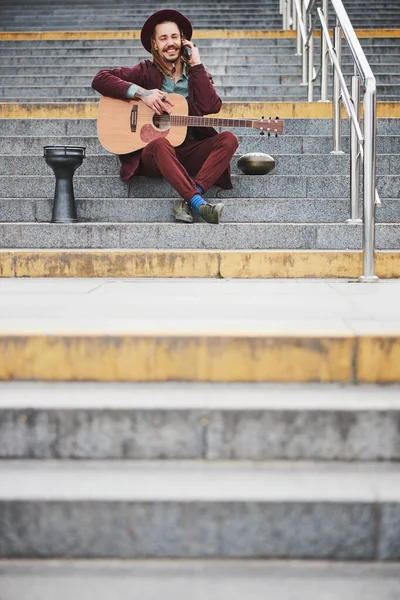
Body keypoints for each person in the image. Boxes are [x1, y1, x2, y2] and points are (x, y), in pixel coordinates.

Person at [92, 9, 238, 224]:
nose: (170, 43)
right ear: (155, 45)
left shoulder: (196, 76)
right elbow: (100, 79)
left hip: (188, 150)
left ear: (183, 41)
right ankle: (200, 204)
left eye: (174, 37)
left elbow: (211, 106)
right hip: (153, 154)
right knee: (161, 143)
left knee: (229, 139)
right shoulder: (144, 71)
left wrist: (197, 65)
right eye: (163, 38)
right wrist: (143, 93)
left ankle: (192, 199)